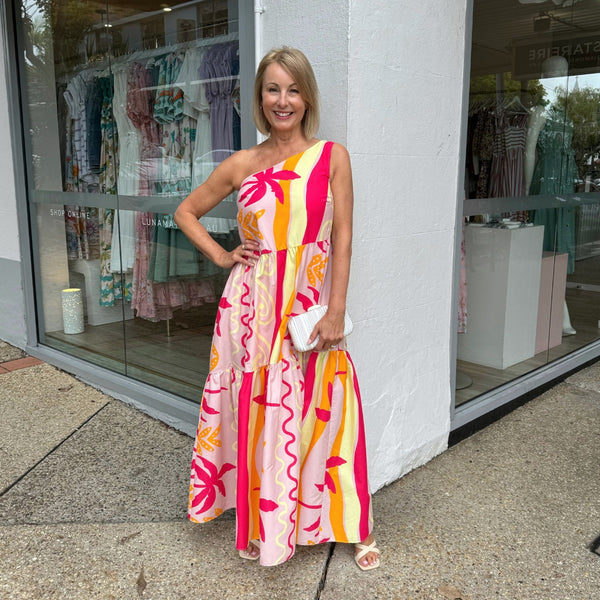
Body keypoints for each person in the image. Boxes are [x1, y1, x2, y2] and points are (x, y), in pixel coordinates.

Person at [174, 46, 379, 570]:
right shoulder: (243, 162)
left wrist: (336, 309)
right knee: (259, 409)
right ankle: (267, 520)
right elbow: (187, 210)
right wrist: (222, 254)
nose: (282, 100)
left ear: (307, 96)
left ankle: (350, 520)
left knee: (328, 410)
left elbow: (344, 237)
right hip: (249, 309)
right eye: (272, 89)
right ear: (259, 98)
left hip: (307, 309)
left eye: (292, 89)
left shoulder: (333, 156)